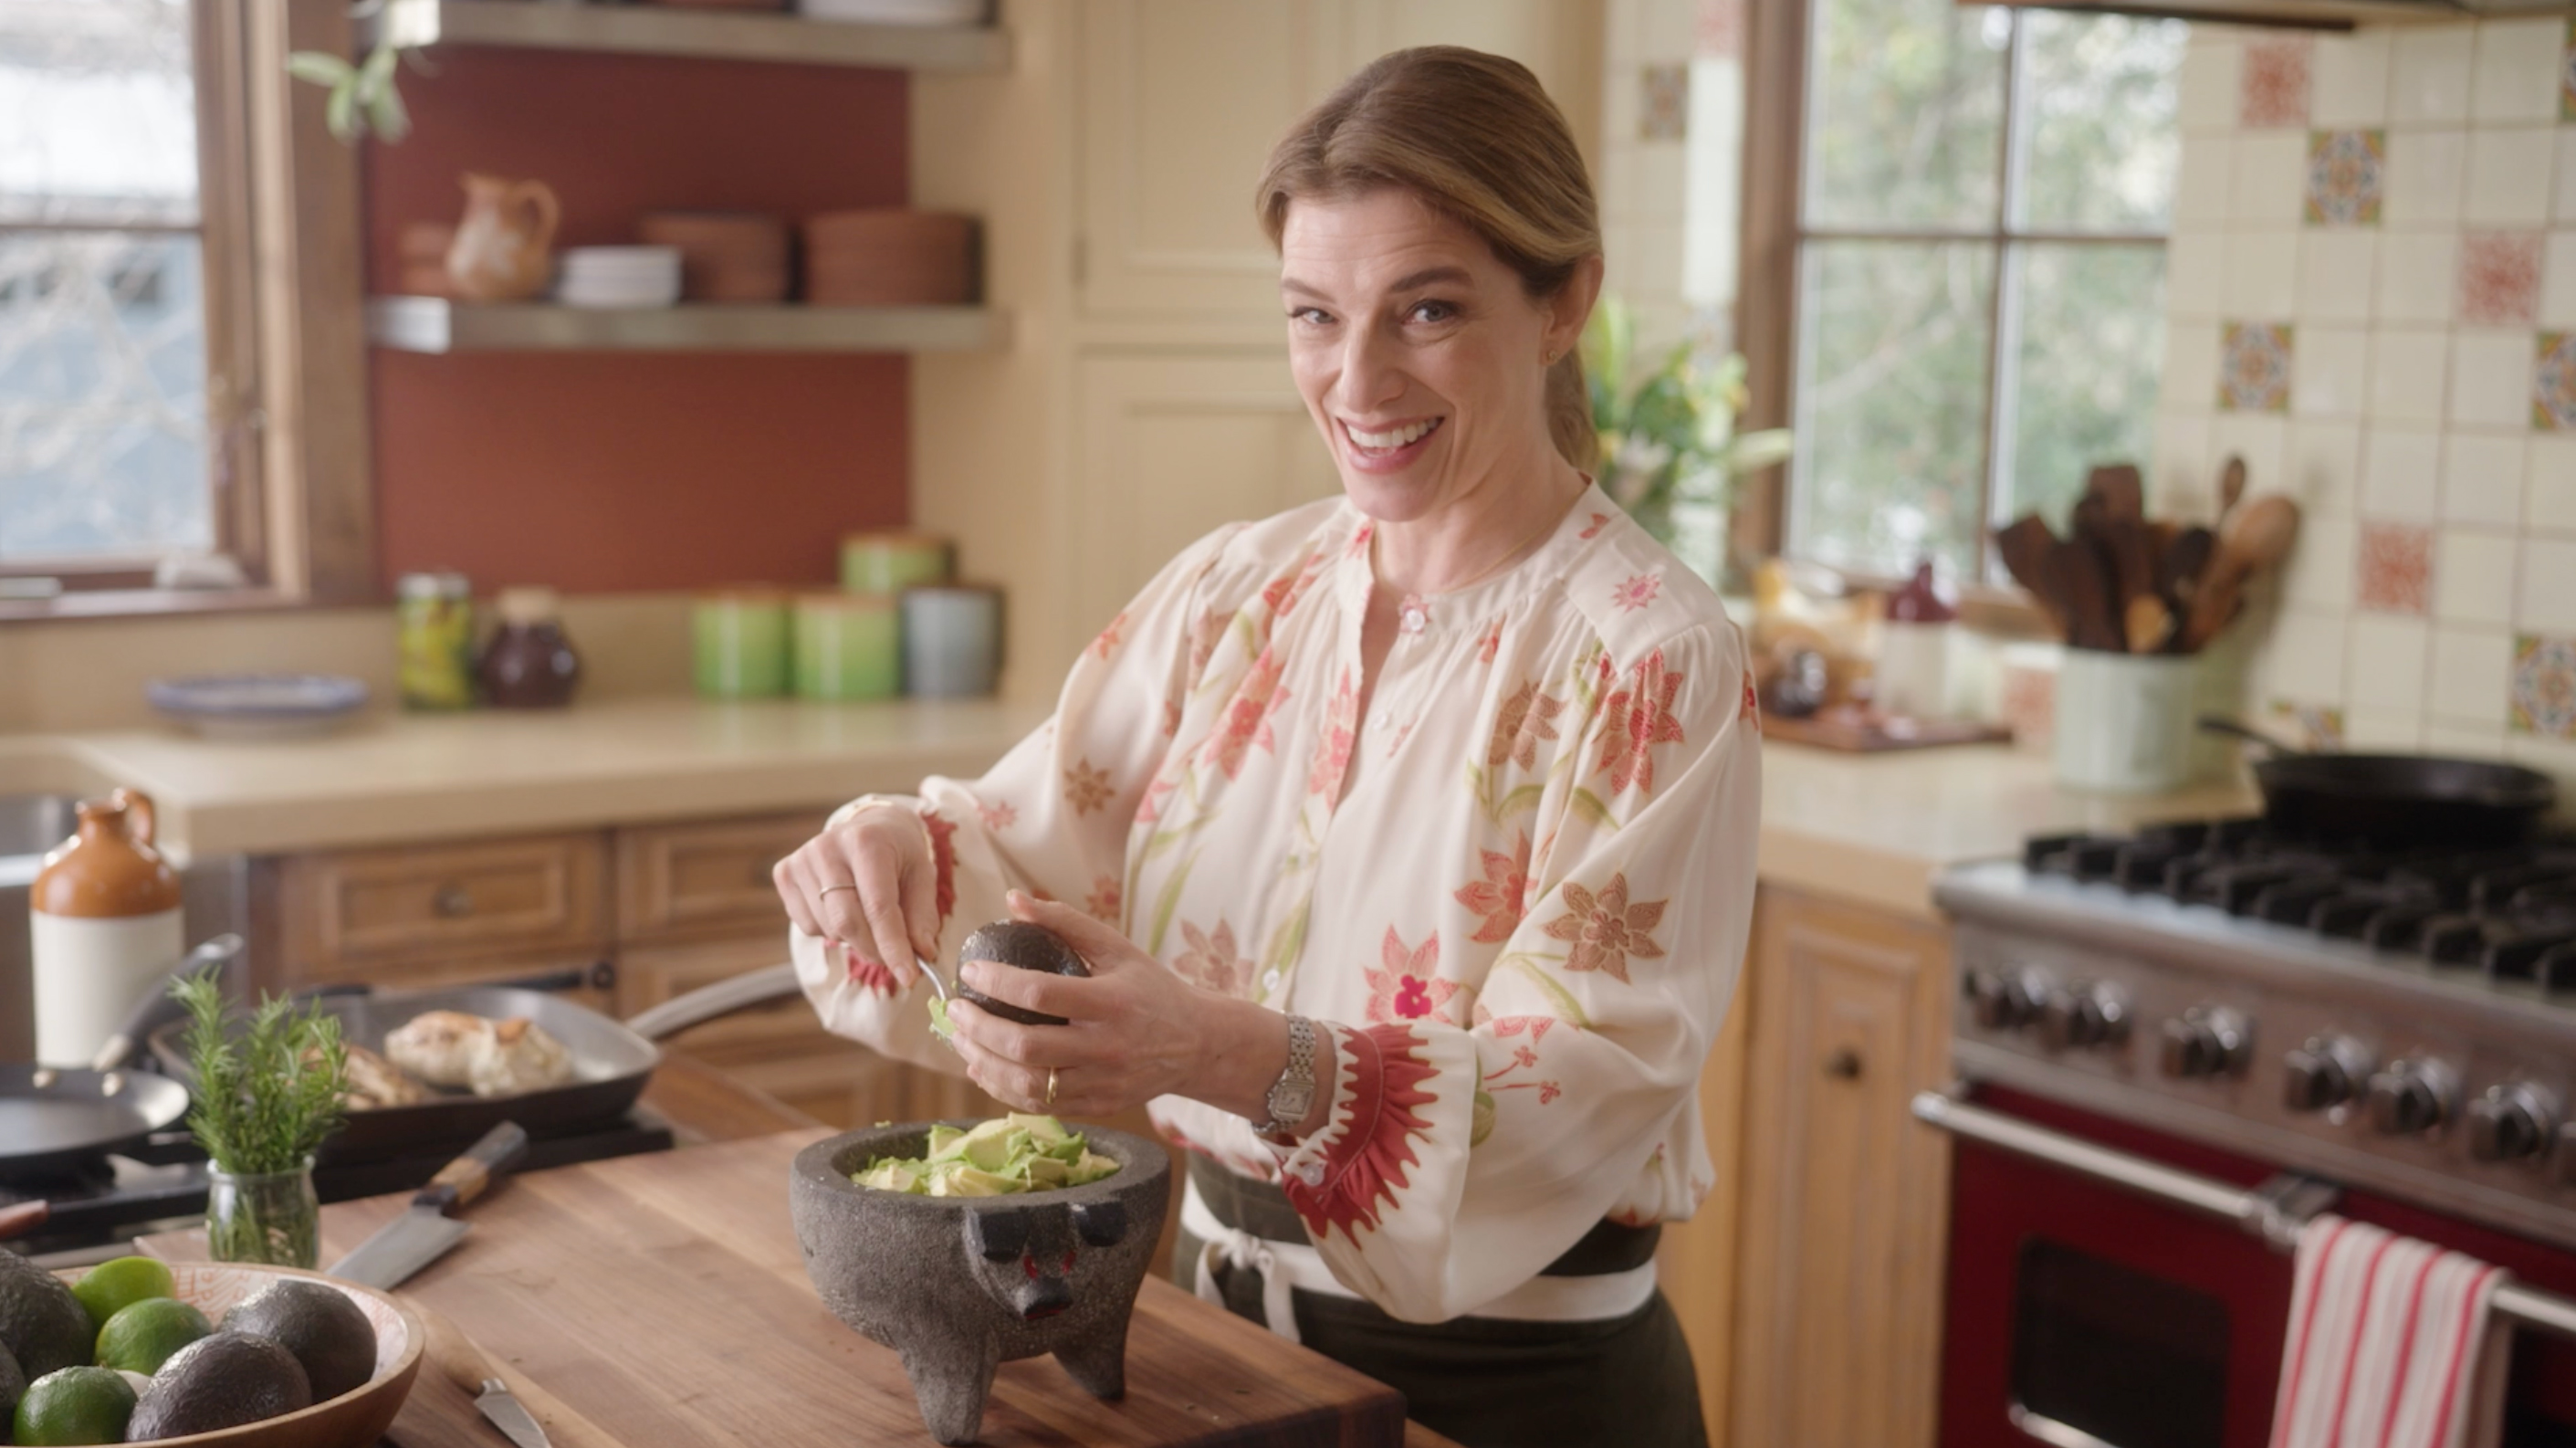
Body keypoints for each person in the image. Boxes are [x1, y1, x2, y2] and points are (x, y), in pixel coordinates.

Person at [775, 45, 1758, 1448]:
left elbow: (1577, 1084)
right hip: (1189, 1339)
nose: (1355, 379)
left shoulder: (1651, 657)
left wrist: (1224, 1053)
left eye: (1424, 310)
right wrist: (893, 853)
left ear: (1564, 301)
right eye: (1313, 315)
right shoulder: (1238, 590)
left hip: (1512, 1396)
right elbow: (1023, 856)